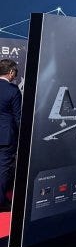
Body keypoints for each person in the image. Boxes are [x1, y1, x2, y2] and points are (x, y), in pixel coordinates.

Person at [0, 58, 21, 209]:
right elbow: (18, 117)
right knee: (2, 170)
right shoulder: (13, 90)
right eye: (16, 72)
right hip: (5, 138)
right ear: (11, 72)